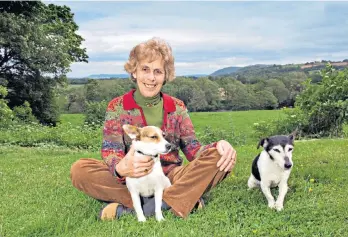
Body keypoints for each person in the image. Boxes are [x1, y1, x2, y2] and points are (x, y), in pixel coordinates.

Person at [70, 37, 237, 221]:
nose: (151, 78)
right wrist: (121, 168)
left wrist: (218, 146)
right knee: (80, 169)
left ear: (165, 76)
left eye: (158, 71)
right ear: (134, 72)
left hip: (170, 177)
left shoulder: (177, 107)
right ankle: (179, 199)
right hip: (131, 179)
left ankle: (139, 208)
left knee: (221, 156)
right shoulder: (117, 107)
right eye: (145, 70)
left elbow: (193, 149)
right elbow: (111, 151)